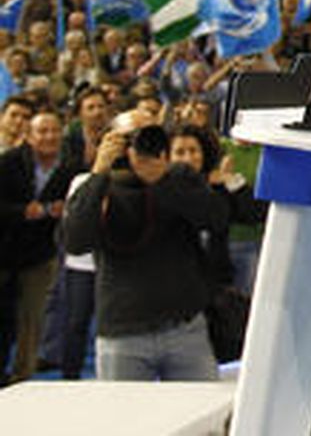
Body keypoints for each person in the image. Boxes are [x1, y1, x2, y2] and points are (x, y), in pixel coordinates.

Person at [62, 123, 228, 380]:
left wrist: (161, 180)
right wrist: (98, 172)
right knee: (123, 416)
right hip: (122, 329)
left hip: (184, 325)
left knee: (201, 412)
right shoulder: (96, 186)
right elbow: (75, 242)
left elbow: (216, 218)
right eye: (130, 138)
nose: (141, 147)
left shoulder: (179, 176)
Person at [0, 108, 77, 384]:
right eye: (42, 131)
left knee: (32, 320)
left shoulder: (71, 168)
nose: (49, 136)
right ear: (29, 137)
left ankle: (23, 378)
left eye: (55, 130)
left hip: (40, 254)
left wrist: (64, 209)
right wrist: (22, 211)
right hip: (4, 249)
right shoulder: (8, 163)